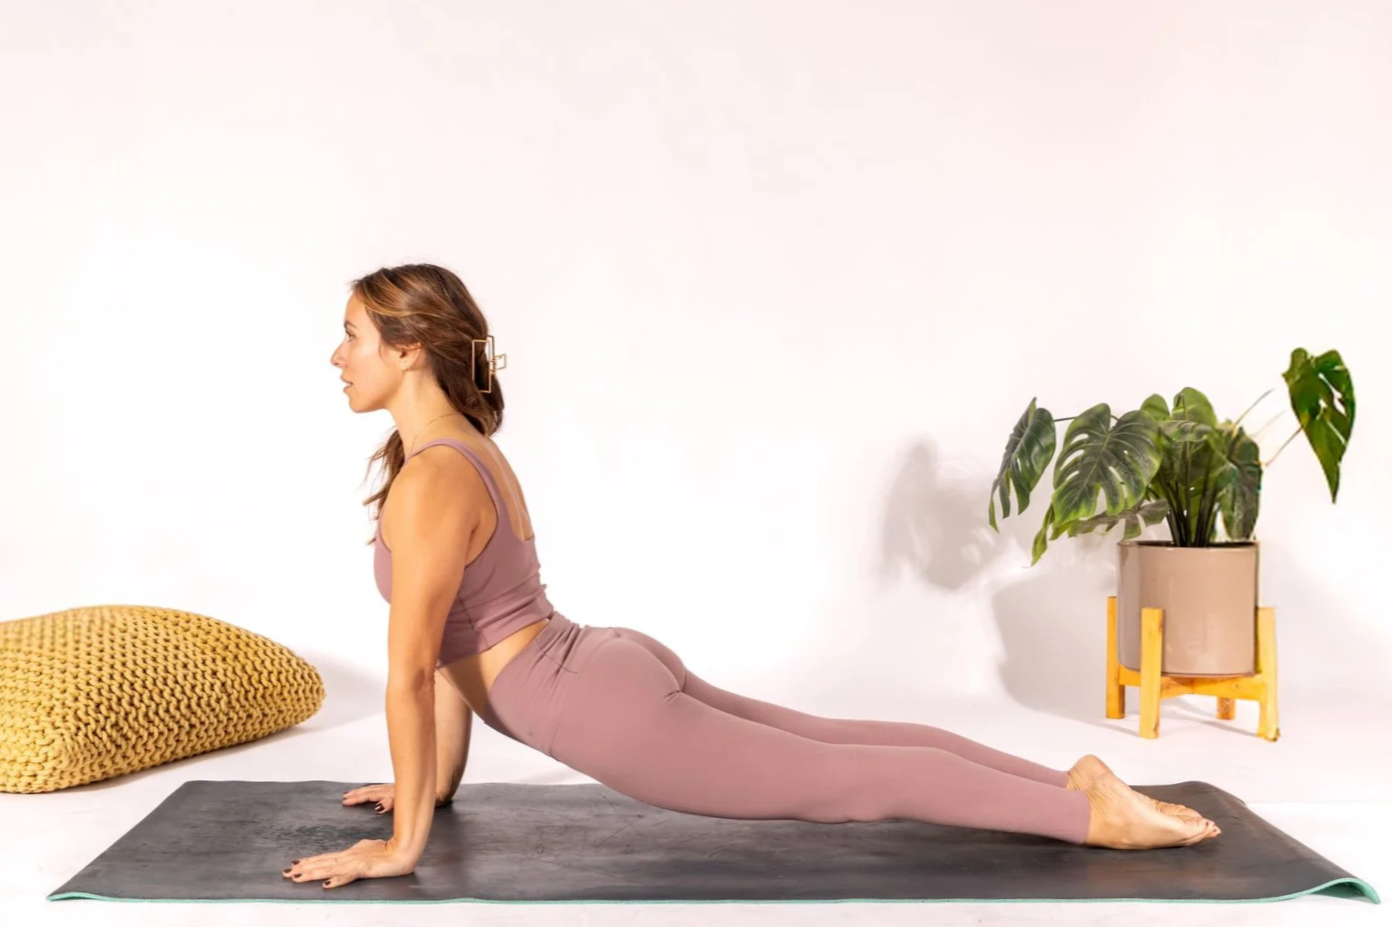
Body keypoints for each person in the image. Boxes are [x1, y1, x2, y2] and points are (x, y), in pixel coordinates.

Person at [293, 264, 1220, 889]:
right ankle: (1072, 779)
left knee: (850, 779)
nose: (338, 356)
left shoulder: (431, 481)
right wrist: (430, 788)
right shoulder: (465, 452)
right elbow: (457, 648)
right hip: (601, 662)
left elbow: (417, 671)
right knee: (839, 741)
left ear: (409, 347)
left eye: (352, 337)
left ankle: (1091, 818)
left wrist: (403, 842)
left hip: (597, 705)